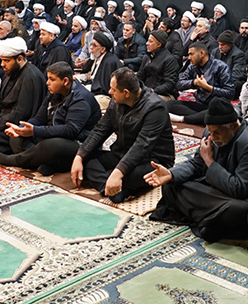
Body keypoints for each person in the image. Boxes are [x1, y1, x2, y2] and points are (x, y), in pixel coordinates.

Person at [147, 98, 248, 242]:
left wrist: (209, 161)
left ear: (233, 126)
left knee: (238, 209)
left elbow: (239, 188)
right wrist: (171, 174)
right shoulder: (210, 133)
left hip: (247, 198)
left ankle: (208, 218)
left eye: (217, 133)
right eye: (210, 132)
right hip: (217, 191)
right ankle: (213, 221)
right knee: (172, 184)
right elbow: (197, 164)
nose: (212, 138)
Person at [71, 67, 175, 203]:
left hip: (152, 160)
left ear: (126, 93)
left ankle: (113, 185)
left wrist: (118, 172)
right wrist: (79, 156)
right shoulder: (116, 102)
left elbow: (142, 145)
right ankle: (111, 187)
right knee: (85, 160)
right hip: (122, 154)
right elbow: (100, 130)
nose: (109, 92)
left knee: (134, 175)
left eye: (113, 89)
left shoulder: (155, 107)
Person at [0, 61, 101, 175]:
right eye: (47, 78)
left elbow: (70, 130)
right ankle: (50, 164)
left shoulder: (80, 98)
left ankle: (15, 160)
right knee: (17, 138)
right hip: (56, 135)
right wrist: (21, 129)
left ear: (65, 81)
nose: (47, 83)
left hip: (80, 143)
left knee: (51, 145)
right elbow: (39, 119)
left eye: (52, 79)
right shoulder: (54, 92)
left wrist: (35, 131)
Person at [168, 42, 235, 124]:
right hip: (200, 104)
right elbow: (178, 84)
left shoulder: (221, 67)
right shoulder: (193, 66)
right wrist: (194, 82)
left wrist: (208, 87)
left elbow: (230, 93)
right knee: (169, 104)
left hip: (215, 106)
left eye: (191, 54)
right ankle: (200, 118)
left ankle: (186, 119)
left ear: (202, 53)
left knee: (216, 113)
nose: (189, 58)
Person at [76, 31, 123, 110]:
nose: (91, 48)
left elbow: (104, 88)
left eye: (94, 45)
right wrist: (77, 78)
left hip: (105, 97)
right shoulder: (97, 57)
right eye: (91, 44)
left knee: (81, 102)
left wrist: (87, 88)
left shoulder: (109, 62)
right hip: (94, 91)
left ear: (103, 49)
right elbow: (91, 75)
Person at [138, 29, 180, 101]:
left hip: (164, 94)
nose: (147, 43)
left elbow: (170, 84)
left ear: (159, 44)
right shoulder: (147, 57)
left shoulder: (170, 60)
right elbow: (140, 76)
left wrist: (154, 91)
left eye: (150, 41)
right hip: (147, 90)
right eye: (148, 41)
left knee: (147, 100)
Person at [213, 30, 247, 95]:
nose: (220, 47)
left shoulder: (238, 54)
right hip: (218, 80)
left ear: (230, 45)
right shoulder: (215, 52)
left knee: (236, 84)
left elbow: (237, 74)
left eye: (223, 45)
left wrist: (222, 81)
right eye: (219, 44)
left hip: (230, 81)